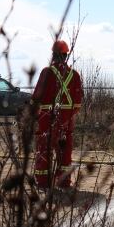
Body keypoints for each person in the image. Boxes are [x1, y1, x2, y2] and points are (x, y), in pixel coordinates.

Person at [32, 40, 83, 191]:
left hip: (47, 119)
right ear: (66, 56)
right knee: (65, 151)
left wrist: (36, 116)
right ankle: (64, 182)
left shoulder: (46, 72)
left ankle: (43, 182)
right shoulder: (75, 75)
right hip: (67, 120)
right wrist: (67, 117)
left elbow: (36, 98)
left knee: (44, 150)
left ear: (53, 55)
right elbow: (78, 104)